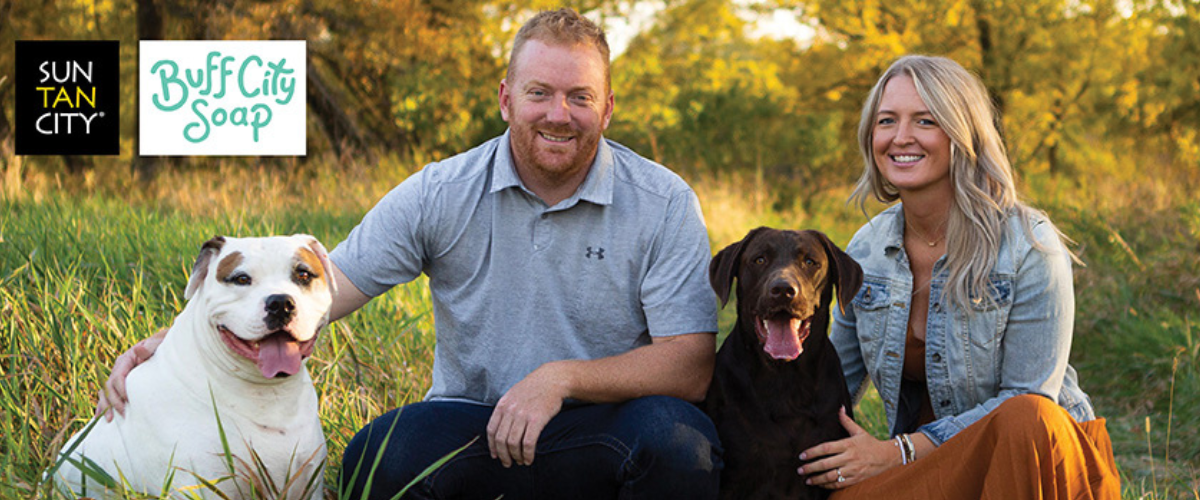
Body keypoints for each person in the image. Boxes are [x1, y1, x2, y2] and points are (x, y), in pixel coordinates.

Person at [96, 8, 722, 499]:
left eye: (580, 97)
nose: (559, 114)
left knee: (680, 444)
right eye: (540, 93)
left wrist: (559, 380)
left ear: (607, 108)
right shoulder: (441, 191)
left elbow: (689, 364)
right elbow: (325, 286)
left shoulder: (663, 202)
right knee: (376, 457)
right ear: (506, 99)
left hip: (605, 435)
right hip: (473, 432)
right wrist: (169, 343)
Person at [795, 55, 1120, 498]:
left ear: (962, 134)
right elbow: (829, 384)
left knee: (1026, 415)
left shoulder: (1029, 243)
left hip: (1044, 465)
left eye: (926, 121)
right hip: (936, 469)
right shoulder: (867, 251)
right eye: (887, 120)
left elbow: (1032, 398)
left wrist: (898, 452)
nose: (901, 137)